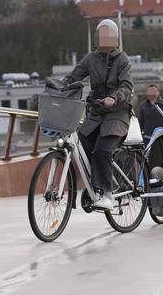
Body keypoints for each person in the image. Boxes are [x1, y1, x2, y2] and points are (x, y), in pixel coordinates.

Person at [64, 19, 133, 210]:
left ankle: (109, 195)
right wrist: (60, 87)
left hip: (117, 114)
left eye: (106, 36)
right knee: (81, 142)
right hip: (96, 113)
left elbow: (127, 86)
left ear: (114, 38)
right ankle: (96, 185)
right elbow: (73, 76)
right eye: (100, 35)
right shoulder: (91, 58)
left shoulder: (123, 60)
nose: (102, 40)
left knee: (102, 150)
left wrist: (115, 97)